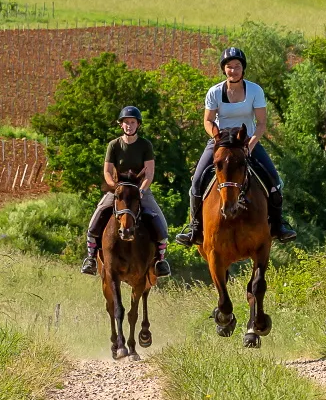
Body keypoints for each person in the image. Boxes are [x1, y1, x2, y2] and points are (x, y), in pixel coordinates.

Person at [175, 47, 297, 245]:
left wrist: (250, 144)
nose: (233, 70)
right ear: (224, 70)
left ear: (243, 69)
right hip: (221, 142)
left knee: (274, 179)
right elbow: (208, 120)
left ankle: (278, 225)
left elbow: (262, 123)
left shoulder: (255, 90)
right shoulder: (214, 92)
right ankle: (195, 229)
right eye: (229, 67)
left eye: (237, 66)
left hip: (247, 141)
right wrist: (216, 138)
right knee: (197, 181)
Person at [81, 106, 172, 277]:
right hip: (119, 190)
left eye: (132, 122)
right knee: (98, 215)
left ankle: (160, 260)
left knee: (160, 222)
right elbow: (107, 172)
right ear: (121, 125)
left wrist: (142, 190)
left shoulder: (145, 145)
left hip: (139, 190)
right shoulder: (114, 145)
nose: (129, 125)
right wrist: (115, 189)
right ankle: (91, 258)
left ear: (138, 124)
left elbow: (149, 172)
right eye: (126, 122)